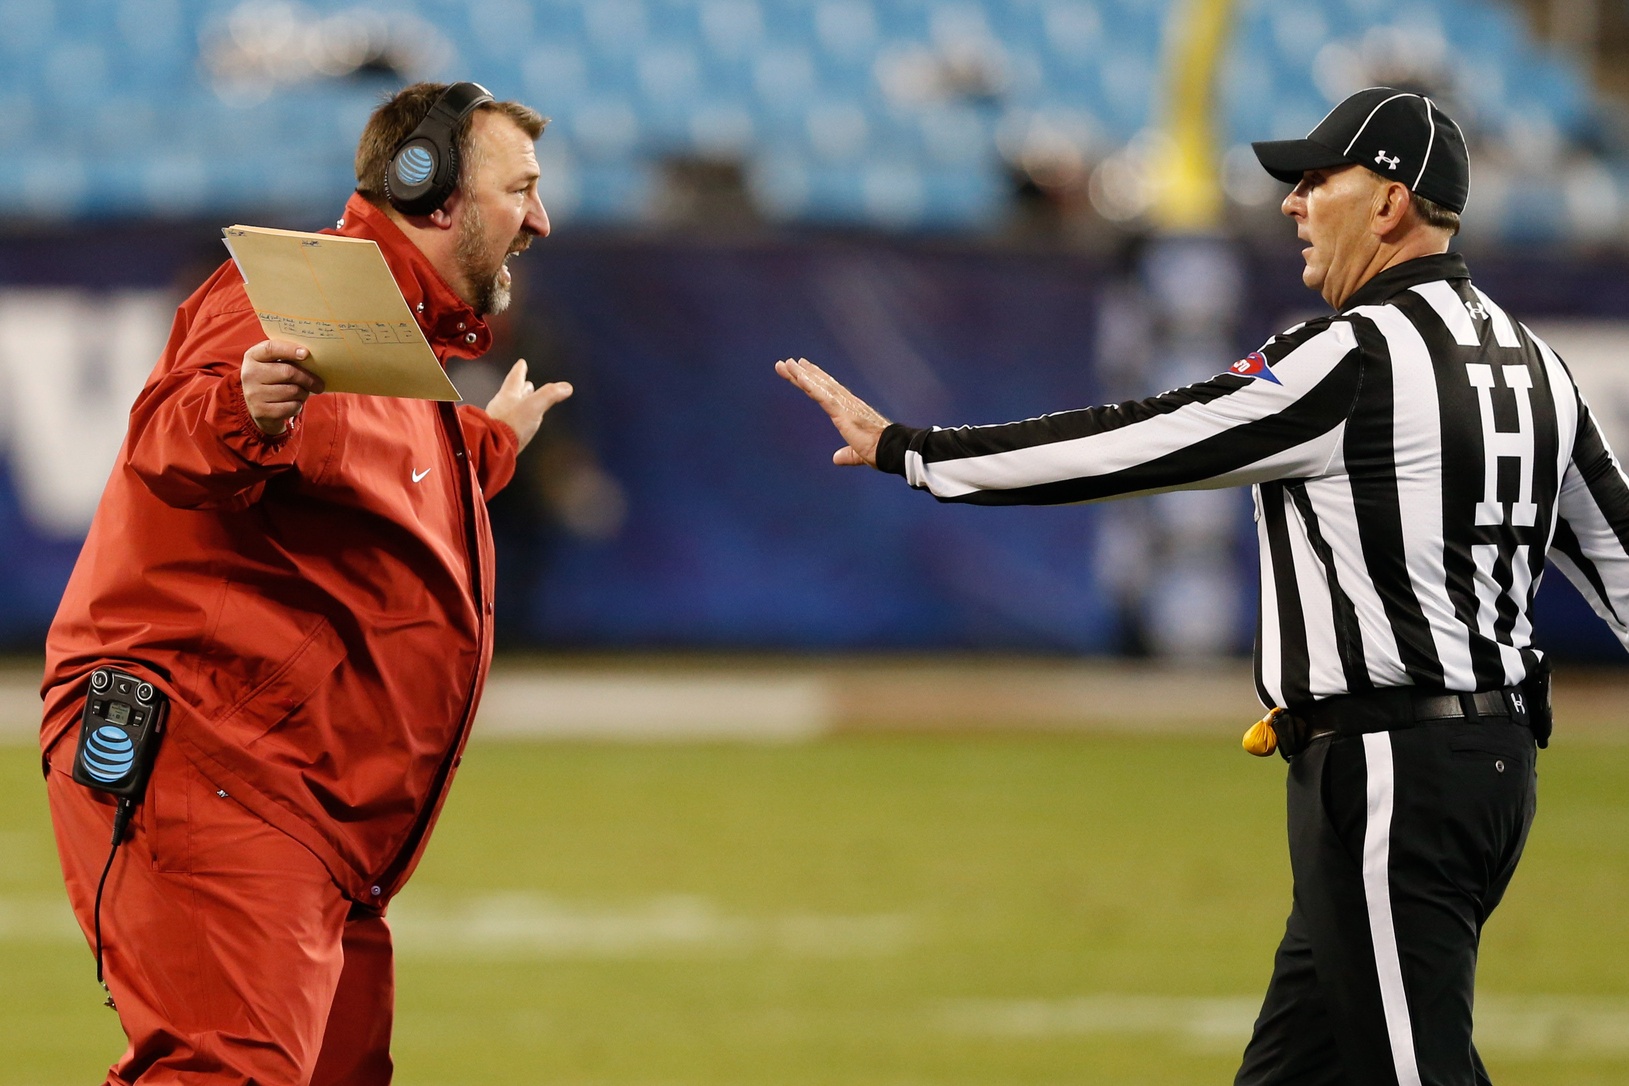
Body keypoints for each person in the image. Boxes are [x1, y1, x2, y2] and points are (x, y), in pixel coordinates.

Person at [777, 86, 1629, 1084]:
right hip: (1489, 766)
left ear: (1390, 204)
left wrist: (916, 451)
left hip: (1393, 765)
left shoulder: (1350, 358)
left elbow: (1143, 441)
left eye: (1318, 181)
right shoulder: (1538, 368)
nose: (1292, 203)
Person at [41, 82, 569, 1085]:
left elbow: (369, 472)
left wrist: (488, 448)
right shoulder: (295, 295)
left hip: (307, 809)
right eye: (521, 190)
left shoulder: (386, 342)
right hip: (210, 761)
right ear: (435, 194)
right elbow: (170, 433)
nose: (540, 219)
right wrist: (242, 407)